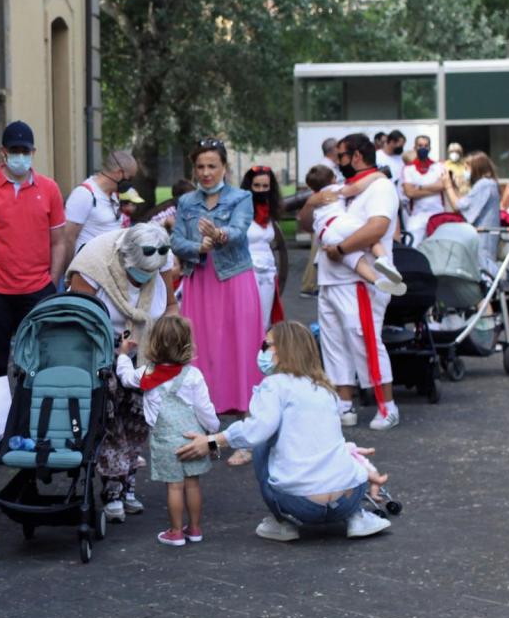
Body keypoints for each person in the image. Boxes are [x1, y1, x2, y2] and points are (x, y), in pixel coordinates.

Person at [174, 322, 391, 541]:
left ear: (283, 349)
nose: (262, 351)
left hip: (300, 503)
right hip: (347, 499)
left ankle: (283, 522)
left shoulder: (274, 385)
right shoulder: (326, 388)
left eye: (266, 345)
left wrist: (210, 442)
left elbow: (255, 432)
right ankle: (357, 517)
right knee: (340, 453)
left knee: (260, 446)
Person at [66, 224, 174, 521]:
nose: (145, 279)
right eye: (139, 272)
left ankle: (128, 482)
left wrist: (170, 343)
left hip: (144, 348)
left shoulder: (163, 259)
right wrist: (114, 355)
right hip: (100, 350)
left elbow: (172, 308)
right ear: (125, 260)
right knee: (109, 416)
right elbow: (76, 320)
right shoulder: (93, 265)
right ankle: (112, 486)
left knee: (139, 417)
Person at [309, 134, 403, 430]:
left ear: (358, 156)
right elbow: (304, 218)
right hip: (330, 279)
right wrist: (313, 199)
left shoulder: (381, 186)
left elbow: (377, 228)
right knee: (334, 344)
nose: (337, 162)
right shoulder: (342, 188)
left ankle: (387, 406)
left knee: (365, 342)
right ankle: (345, 405)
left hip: (357, 281)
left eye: (341, 156)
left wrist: (340, 249)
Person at [170, 138, 264, 416]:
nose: (206, 172)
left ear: (224, 167)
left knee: (240, 339)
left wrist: (219, 235)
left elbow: (239, 230)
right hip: (199, 277)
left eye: (212, 165)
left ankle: (245, 403)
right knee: (201, 341)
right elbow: (176, 241)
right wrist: (198, 247)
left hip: (234, 278)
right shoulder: (186, 202)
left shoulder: (241, 197)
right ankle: (203, 404)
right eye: (200, 167)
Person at [0, 121, 67, 376]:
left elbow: (59, 240)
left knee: (38, 361)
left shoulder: (49, 189)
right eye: (15, 150)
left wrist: (52, 280)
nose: (20, 157)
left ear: (33, 153)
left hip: (37, 288)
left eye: (25, 151)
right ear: (2, 152)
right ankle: (1, 414)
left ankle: (32, 413)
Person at [127, 315, 219, 547]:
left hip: (166, 440)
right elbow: (204, 409)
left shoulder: (147, 374)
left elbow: (126, 377)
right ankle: (195, 528)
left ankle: (176, 531)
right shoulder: (193, 376)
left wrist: (121, 356)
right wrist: (213, 431)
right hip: (192, 439)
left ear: (153, 344)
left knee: (174, 487)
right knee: (192, 484)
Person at [301, 165, 406, 296]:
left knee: (354, 260)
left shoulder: (315, 199)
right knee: (370, 237)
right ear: (333, 179)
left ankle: (377, 280)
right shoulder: (334, 190)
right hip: (340, 222)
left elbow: (305, 222)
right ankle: (383, 260)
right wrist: (376, 176)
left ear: (311, 187)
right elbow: (355, 188)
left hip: (325, 234)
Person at [61, 149, 139, 255]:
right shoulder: (84, 194)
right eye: (130, 178)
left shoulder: (113, 195)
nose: (130, 183)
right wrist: (70, 269)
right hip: (89, 266)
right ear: (119, 173)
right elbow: (68, 238)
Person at [241, 165, 287, 325]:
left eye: (265, 186)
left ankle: (263, 350)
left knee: (265, 322)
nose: (261, 190)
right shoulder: (240, 212)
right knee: (248, 320)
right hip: (246, 272)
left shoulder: (270, 213)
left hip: (268, 272)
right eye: (257, 186)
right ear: (249, 187)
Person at [400, 134, 448, 241]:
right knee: (412, 244)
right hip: (417, 215)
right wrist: (433, 188)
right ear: (415, 147)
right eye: (420, 145)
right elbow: (410, 193)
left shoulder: (438, 166)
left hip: (437, 213)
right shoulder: (408, 168)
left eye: (426, 146)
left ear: (429, 148)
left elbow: (442, 185)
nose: (423, 148)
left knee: (437, 245)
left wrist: (419, 188)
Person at [461, 152, 502, 269]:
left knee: (485, 266)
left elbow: (461, 206)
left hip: (484, 234)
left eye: (467, 168)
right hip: (484, 234)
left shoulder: (484, 184)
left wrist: (448, 186)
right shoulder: (488, 184)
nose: (465, 171)